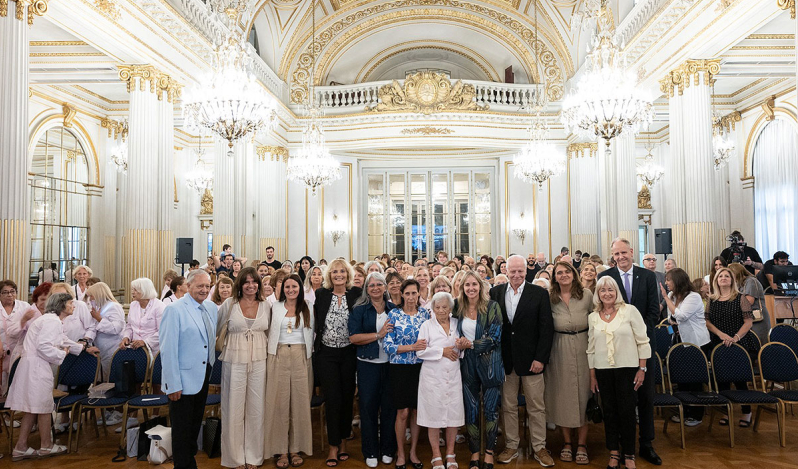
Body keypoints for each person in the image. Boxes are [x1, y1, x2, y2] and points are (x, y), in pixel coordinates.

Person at [7, 293, 99, 461]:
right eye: (71, 303)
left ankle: (20, 447)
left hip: (32, 367)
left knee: (31, 409)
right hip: (37, 368)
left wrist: (83, 348)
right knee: (42, 407)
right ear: (62, 305)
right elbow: (44, 347)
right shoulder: (52, 321)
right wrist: (61, 353)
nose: (73, 306)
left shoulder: (50, 319)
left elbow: (62, 339)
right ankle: (46, 446)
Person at [597, 238, 662, 466]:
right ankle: (624, 449)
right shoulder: (605, 277)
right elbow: (601, 309)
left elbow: (654, 312)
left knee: (644, 396)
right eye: (616, 254)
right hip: (617, 350)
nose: (620, 257)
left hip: (644, 344)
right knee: (620, 401)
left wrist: (635, 333)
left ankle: (646, 444)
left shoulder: (647, 276)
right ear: (612, 256)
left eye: (623, 252)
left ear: (632, 252)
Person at [491, 255, 554, 468]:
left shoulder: (539, 294)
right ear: (506, 271)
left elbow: (546, 329)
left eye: (520, 271)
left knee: (536, 406)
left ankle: (539, 447)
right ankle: (511, 445)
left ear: (526, 272)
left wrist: (540, 358)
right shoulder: (495, 292)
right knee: (508, 406)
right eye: (512, 271)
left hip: (532, 361)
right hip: (506, 362)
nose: (516, 275)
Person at [588, 276, 651, 469]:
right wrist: (592, 376)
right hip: (603, 370)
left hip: (628, 369)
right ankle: (614, 452)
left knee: (627, 412)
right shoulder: (593, 317)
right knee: (610, 412)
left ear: (617, 292)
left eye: (610, 290)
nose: (607, 294)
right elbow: (590, 348)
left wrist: (642, 368)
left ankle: (629, 453)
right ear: (598, 294)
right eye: (602, 290)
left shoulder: (629, 311)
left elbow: (643, 340)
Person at [160, 269, 218, 469]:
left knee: (193, 427)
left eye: (207, 286)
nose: (204, 290)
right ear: (188, 286)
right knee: (182, 430)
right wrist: (172, 383)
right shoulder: (174, 310)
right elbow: (167, 349)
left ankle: (189, 462)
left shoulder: (211, 307)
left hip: (203, 376)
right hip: (181, 381)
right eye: (200, 286)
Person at [217, 267, 270, 469]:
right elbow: (219, 328)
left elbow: (269, 330)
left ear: (259, 284)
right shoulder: (229, 304)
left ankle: (254, 456)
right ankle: (235, 457)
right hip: (234, 358)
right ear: (240, 284)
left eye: (254, 281)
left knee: (257, 408)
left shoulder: (266, 306)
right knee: (233, 407)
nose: (250, 285)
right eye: (246, 282)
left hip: (259, 359)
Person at [314, 259, 362, 466]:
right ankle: (333, 446)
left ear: (348, 274)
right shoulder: (322, 294)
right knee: (332, 399)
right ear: (329, 275)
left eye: (342, 271)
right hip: (327, 354)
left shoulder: (356, 294)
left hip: (349, 353)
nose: (339, 275)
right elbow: (317, 320)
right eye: (335, 272)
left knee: (346, 398)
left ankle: (343, 441)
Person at [545, 262, 593, 465]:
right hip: (558, 348)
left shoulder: (587, 295)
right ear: (554, 277)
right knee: (563, 395)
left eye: (567, 272)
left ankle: (581, 444)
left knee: (583, 394)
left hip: (584, 347)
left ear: (574, 274)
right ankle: (566, 442)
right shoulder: (549, 298)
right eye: (559, 273)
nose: (563, 275)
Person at [455, 272, 503, 469]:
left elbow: (495, 337)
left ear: (481, 287)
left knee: (491, 409)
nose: (471, 288)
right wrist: (458, 342)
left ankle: (489, 452)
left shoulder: (492, 307)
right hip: (467, 365)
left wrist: (471, 344)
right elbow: (451, 331)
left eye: (474, 284)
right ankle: (474, 452)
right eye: (467, 285)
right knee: (472, 409)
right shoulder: (457, 307)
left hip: (490, 364)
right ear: (462, 288)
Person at [265, 274, 315, 468]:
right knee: (279, 404)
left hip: (301, 355)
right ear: (282, 289)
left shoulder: (308, 306)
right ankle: (281, 450)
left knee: (300, 403)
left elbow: (313, 331)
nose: (291, 290)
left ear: (300, 288)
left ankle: (295, 448)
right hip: (277, 355)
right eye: (287, 287)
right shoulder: (275, 307)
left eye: (294, 286)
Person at [349, 273, 397, 468]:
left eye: (379, 284)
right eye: (371, 285)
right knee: (368, 409)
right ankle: (369, 451)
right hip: (367, 364)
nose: (375, 288)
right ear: (366, 289)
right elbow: (354, 338)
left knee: (389, 409)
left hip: (390, 365)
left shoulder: (394, 309)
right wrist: (379, 334)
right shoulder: (359, 310)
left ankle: (387, 449)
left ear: (385, 288)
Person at [383, 279, 430, 469]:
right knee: (402, 412)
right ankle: (401, 454)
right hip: (399, 368)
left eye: (414, 293)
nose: (411, 297)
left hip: (421, 368)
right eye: (407, 293)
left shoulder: (425, 314)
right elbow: (387, 346)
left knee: (417, 411)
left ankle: (413, 452)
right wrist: (412, 347)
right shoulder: (394, 314)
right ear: (402, 295)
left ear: (419, 294)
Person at [705, 267, 759, 427]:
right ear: (716, 280)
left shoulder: (740, 298)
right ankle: (726, 412)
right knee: (722, 380)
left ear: (732, 280)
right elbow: (707, 322)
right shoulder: (712, 300)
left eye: (727, 276)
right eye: (720, 276)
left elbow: (748, 322)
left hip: (739, 342)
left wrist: (735, 337)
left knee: (740, 379)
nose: (723, 278)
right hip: (719, 342)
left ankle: (746, 412)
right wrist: (721, 335)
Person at [417, 292, 464, 469]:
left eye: (445, 307)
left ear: (451, 308)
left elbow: (461, 348)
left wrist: (460, 347)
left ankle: (450, 454)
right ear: (432, 308)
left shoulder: (457, 323)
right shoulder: (426, 326)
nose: (441, 310)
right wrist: (441, 351)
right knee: (433, 416)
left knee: (453, 415)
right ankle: (436, 454)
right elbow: (420, 351)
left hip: (453, 374)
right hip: (432, 376)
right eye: (437, 307)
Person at [661, 268, 710, 426]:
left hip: (695, 341)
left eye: (669, 280)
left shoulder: (693, 296)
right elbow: (671, 318)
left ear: (678, 280)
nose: (666, 283)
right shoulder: (671, 296)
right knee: (681, 378)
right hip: (679, 341)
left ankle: (696, 414)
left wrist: (667, 301)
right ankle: (684, 411)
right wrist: (672, 312)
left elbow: (681, 316)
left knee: (694, 379)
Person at [85, 282, 125, 382]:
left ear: (99, 294)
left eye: (92, 295)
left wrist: (99, 319)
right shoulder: (99, 307)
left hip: (112, 348)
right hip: (101, 349)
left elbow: (116, 328)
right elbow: (93, 326)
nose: (90, 299)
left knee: (112, 377)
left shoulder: (114, 306)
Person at [729, 263, 771, 344]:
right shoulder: (741, 283)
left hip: (758, 319)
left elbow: (749, 302)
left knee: (759, 343)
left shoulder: (751, 281)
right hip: (749, 318)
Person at [121, 278, 165, 355]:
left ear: (145, 291)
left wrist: (145, 342)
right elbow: (129, 326)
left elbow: (162, 331)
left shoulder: (159, 306)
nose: (132, 292)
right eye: (132, 289)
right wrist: (126, 337)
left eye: (135, 290)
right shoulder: (133, 305)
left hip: (153, 350)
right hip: (134, 348)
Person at [1, 280, 28, 394]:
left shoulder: (24, 306)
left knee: (17, 383)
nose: (10, 295)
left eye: (12, 291)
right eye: (5, 292)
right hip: (1, 352)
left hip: (19, 350)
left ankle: (14, 410)